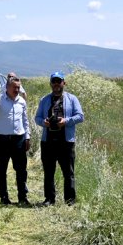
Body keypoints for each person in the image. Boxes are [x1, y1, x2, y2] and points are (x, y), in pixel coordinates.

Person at [34, 71, 85, 206]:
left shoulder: (72, 99)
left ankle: (70, 201)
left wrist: (66, 121)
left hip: (66, 141)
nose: (56, 84)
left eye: (59, 81)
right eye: (54, 81)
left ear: (64, 83)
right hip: (48, 141)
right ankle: (49, 199)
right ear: (50, 83)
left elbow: (80, 116)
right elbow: (37, 118)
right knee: (49, 172)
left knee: (68, 173)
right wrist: (43, 122)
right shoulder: (44, 100)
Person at [0, 75, 31, 205]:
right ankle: (4, 197)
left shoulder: (21, 102)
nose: (17, 90)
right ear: (7, 87)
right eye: (14, 87)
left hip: (18, 139)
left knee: (21, 169)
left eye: (19, 87)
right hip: (2, 139)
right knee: (2, 169)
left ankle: (22, 197)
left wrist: (27, 137)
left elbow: (25, 121)